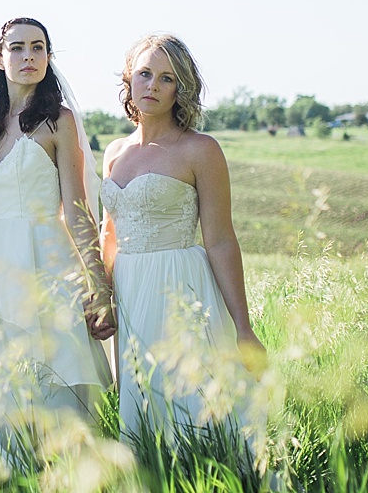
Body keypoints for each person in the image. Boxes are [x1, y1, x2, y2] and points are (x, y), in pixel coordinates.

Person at [0, 17, 115, 446]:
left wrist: (98, 287)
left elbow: (78, 210)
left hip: (48, 258)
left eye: (38, 48)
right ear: (0, 59)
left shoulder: (58, 122)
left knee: (51, 368)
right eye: (18, 48)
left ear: (48, 57)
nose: (29, 57)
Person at [101, 33, 267, 453]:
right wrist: (104, 297)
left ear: (181, 88)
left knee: (192, 399)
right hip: (129, 287)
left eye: (166, 78)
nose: (153, 86)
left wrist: (243, 327)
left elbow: (221, 240)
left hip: (179, 285)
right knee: (143, 402)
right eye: (144, 74)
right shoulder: (114, 151)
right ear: (129, 80)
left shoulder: (200, 150)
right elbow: (109, 233)